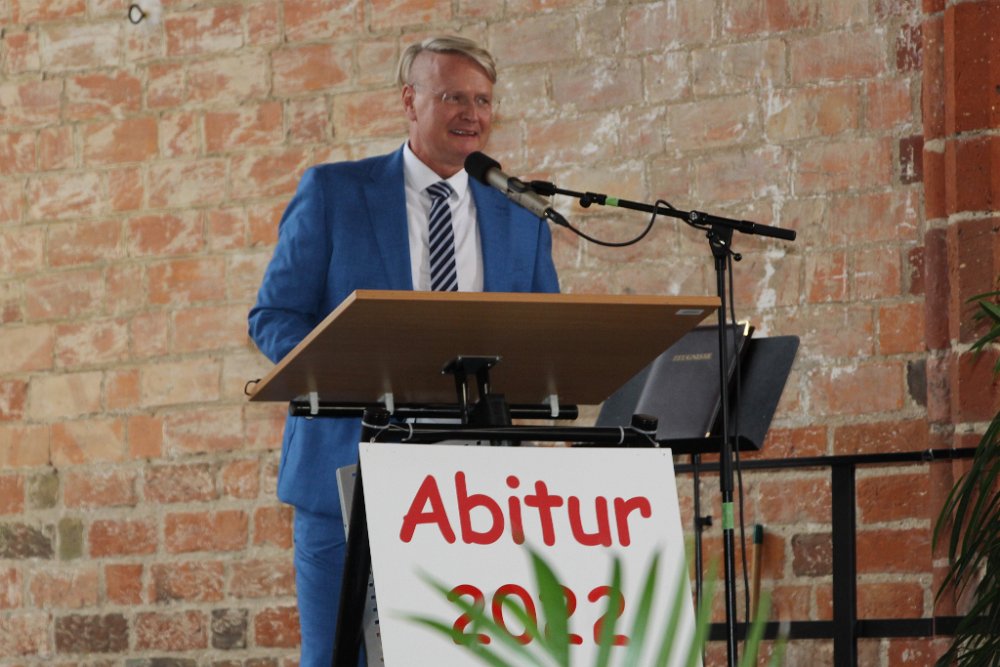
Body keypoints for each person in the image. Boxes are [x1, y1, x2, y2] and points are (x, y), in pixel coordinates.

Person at [248, 35, 560, 666]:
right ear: (409, 101)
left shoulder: (521, 215)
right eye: (453, 97)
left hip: (476, 491)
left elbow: (541, 336)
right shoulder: (335, 193)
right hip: (346, 472)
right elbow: (273, 316)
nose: (471, 113)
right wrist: (344, 369)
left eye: (483, 100)